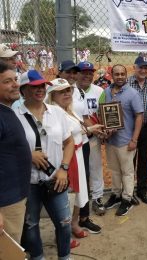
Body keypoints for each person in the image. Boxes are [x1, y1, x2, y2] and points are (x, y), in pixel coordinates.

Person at [15, 70, 74, 259]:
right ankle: (37, 257)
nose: (39, 90)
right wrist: (28, 154)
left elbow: (69, 142)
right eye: (34, 87)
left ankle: (64, 257)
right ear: (23, 90)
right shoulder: (14, 115)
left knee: (64, 223)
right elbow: (6, 150)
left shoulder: (56, 112)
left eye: (42, 86)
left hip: (56, 179)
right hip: (28, 183)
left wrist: (64, 168)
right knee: (31, 225)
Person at [45, 78, 104, 245]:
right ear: (52, 95)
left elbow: (77, 129)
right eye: (61, 91)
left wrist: (91, 129)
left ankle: (74, 224)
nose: (66, 94)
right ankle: (62, 235)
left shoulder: (69, 109)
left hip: (78, 154)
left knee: (79, 194)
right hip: (67, 158)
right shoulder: (53, 112)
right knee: (67, 197)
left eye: (68, 90)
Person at [101, 64, 144, 216]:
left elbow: (139, 116)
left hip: (126, 140)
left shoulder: (132, 93)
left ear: (126, 75)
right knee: (114, 170)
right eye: (116, 74)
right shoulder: (106, 91)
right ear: (111, 75)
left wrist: (134, 139)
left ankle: (127, 199)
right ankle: (116, 194)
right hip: (111, 140)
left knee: (127, 172)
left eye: (122, 74)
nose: (119, 76)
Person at [0, 62, 31, 242]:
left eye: (15, 80)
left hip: (13, 198)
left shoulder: (6, 110)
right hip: (5, 203)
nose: (15, 85)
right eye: (7, 82)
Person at [73, 61, 106, 222]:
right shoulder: (69, 91)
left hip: (93, 137)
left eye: (90, 73)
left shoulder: (99, 91)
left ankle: (97, 197)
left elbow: (104, 113)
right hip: (74, 138)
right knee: (78, 170)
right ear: (76, 74)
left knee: (95, 166)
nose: (87, 75)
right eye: (83, 72)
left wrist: (103, 130)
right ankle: (78, 201)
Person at [127, 56, 147, 204]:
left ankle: (142, 191)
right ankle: (129, 191)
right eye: (141, 67)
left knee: (144, 160)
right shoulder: (126, 83)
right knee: (129, 161)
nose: (143, 70)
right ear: (134, 67)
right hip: (129, 128)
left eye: (146, 67)